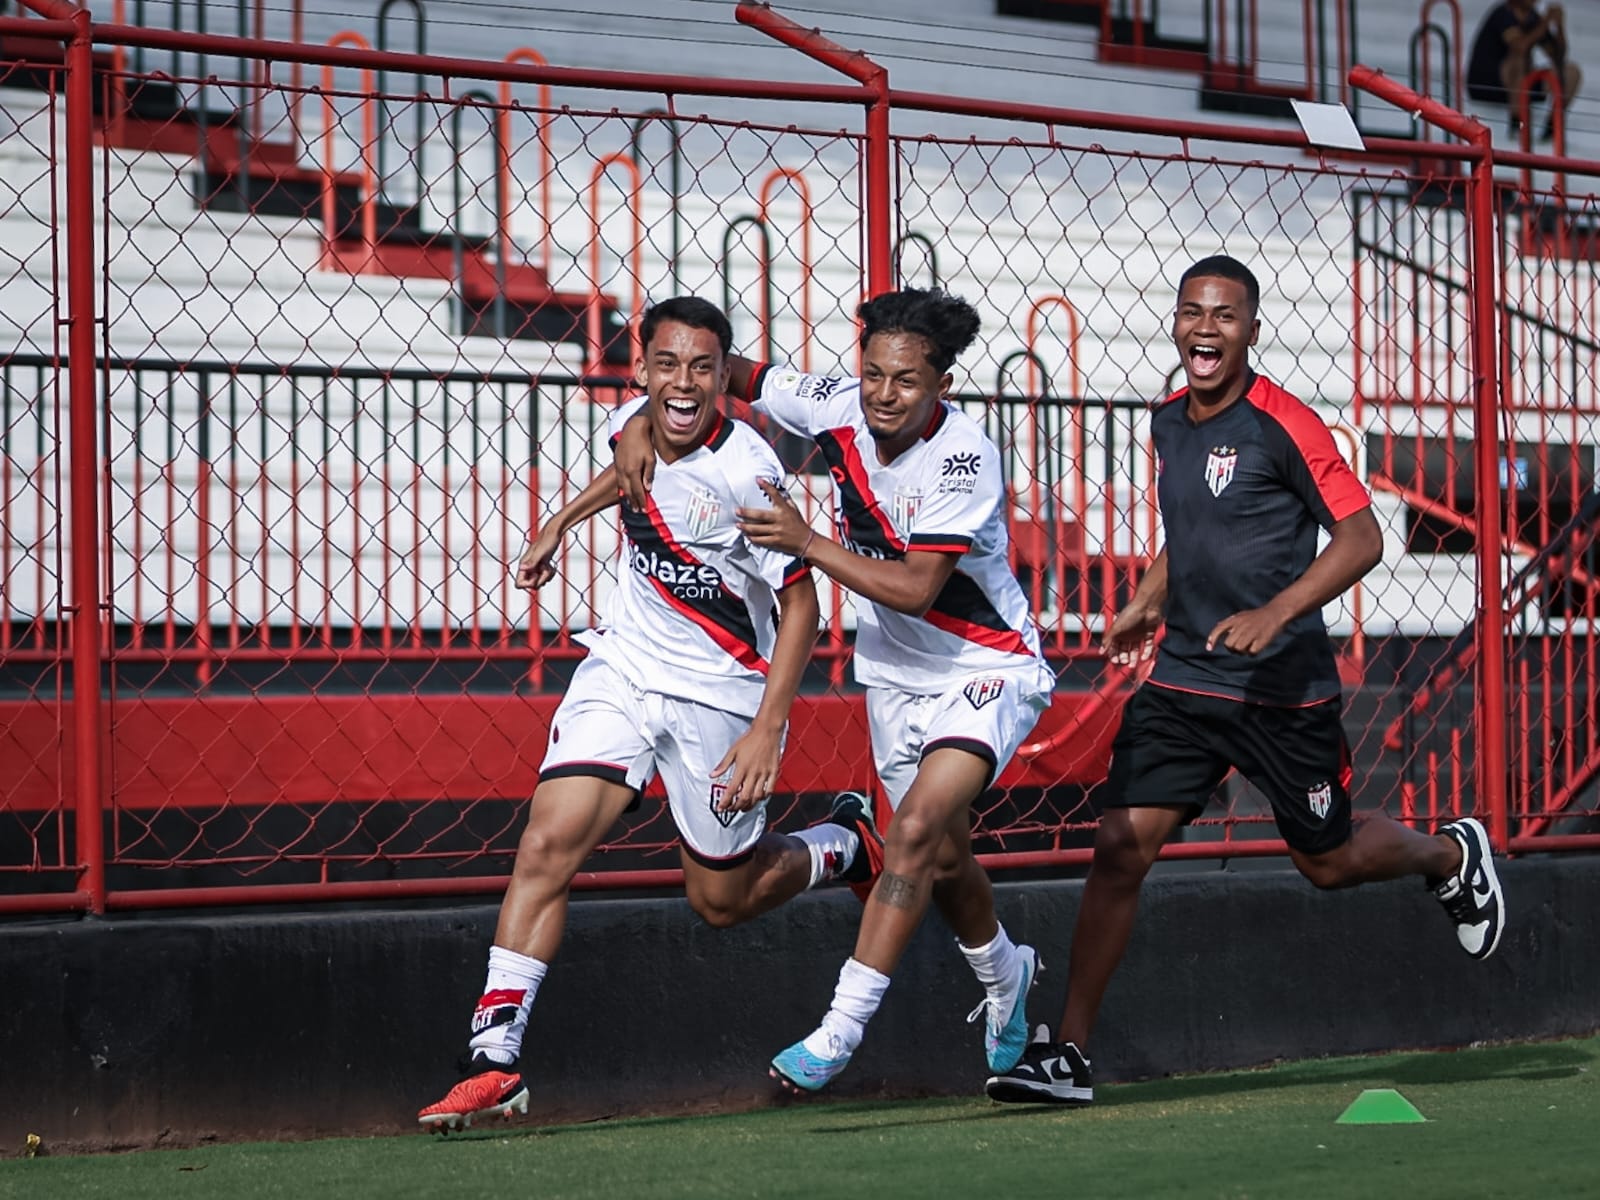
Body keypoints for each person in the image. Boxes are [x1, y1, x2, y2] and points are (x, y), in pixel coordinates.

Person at [984, 256, 1507, 1107]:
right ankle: (1068, 1055)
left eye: (1224, 316)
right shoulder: (1165, 424)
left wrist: (1276, 612)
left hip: (1282, 693)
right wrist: (1146, 603)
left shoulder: (1287, 424)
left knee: (1328, 864)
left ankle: (1451, 854)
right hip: (1186, 683)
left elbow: (1362, 539)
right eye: (1192, 311)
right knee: (1121, 847)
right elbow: (1191, 534)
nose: (1205, 329)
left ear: (1252, 331)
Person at [417, 297, 882, 1132]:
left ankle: (845, 847)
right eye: (668, 364)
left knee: (722, 900)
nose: (683, 383)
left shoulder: (749, 469)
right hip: (624, 664)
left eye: (703, 368)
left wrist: (768, 728)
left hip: (721, 694)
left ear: (722, 379)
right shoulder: (633, 422)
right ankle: (495, 1058)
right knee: (548, 837)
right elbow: (629, 472)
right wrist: (561, 518)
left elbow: (803, 605)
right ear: (642, 368)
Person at [615, 288, 1053, 1093]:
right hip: (895, 676)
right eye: (874, 374)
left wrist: (808, 541)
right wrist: (647, 424)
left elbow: (919, 588)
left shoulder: (965, 457)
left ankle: (839, 1029)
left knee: (917, 826)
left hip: (987, 667)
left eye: (907, 382)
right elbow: (716, 377)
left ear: (942, 386)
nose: (884, 395)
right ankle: (1005, 977)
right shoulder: (832, 402)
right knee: (944, 858)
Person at [1467, 1, 1580, 142]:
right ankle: (1517, 124)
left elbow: (1557, 56)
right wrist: (1545, 23)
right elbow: (1519, 46)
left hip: (1522, 85)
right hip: (1489, 84)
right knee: (1518, 59)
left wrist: (1559, 26)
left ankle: (1552, 127)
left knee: (1571, 72)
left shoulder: (1534, 18)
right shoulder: (1503, 14)